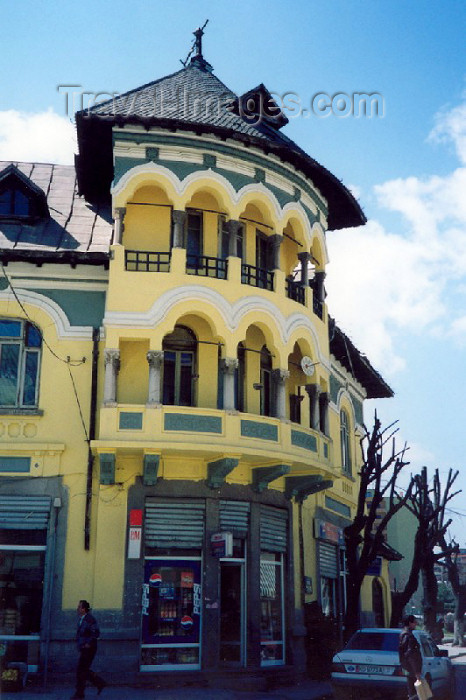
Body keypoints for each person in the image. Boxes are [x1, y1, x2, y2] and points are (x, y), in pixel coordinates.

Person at [71, 600, 106, 699]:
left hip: (89, 649)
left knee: (81, 671)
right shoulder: (82, 618)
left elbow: (96, 633)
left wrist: (88, 644)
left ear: (84, 609)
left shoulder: (90, 619)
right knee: (82, 670)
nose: (77, 609)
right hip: (83, 648)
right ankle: (100, 683)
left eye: (79, 607)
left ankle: (80, 694)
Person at [399, 614, 423, 700]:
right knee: (414, 694)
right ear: (410, 623)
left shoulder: (404, 634)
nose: (416, 624)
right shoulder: (408, 636)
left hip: (408, 668)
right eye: (415, 622)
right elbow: (411, 655)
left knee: (413, 693)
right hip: (411, 669)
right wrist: (416, 672)